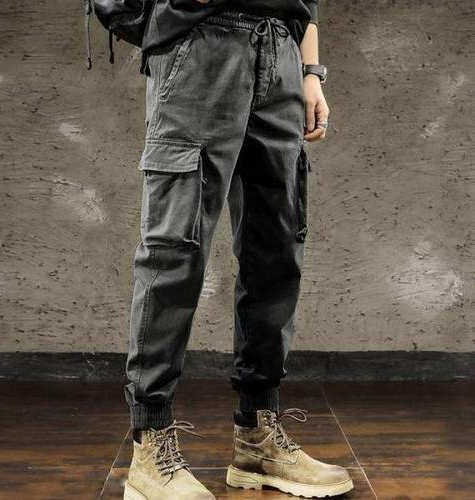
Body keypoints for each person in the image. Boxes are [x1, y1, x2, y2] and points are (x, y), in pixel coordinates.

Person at [123, 1, 354, 498]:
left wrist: (310, 72)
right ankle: (149, 446)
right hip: (201, 48)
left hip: (283, 53)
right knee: (175, 250)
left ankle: (258, 438)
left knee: (277, 249)